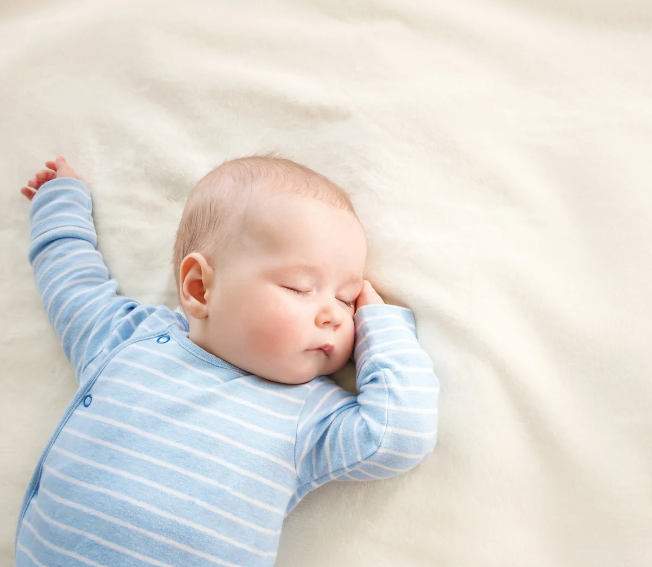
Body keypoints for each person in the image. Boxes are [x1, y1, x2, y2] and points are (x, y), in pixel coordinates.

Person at [16, 155, 440, 567]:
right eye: (299, 287)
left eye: (346, 298)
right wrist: (60, 203)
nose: (332, 313)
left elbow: (399, 434)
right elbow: (72, 285)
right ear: (200, 288)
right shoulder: (127, 338)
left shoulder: (309, 416)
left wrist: (378, 324)